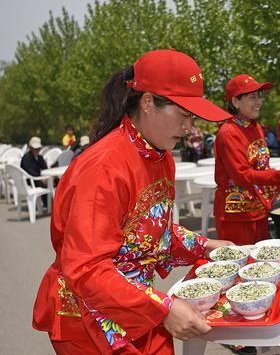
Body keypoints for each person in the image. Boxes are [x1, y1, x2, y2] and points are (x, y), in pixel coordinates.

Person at [32, 49, 235, 354]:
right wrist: (164, 308)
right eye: (183, 115)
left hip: (139, 306)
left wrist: (207, 246)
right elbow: (87, 268)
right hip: (89, 319)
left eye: (192, 117)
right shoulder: (103, 166)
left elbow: (151, 230)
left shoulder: (161, 157)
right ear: (148, 102)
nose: (189, 128)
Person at [214, 74, 280, 245]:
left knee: (260, 264)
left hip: (258, 209)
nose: (259, 101)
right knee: (242, 265)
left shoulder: (256, 127)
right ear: (235, 102)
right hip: (236, 215)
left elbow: (261, 167)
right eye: (252, 96)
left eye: (260, 95)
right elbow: (242, 176)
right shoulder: (228, 132)